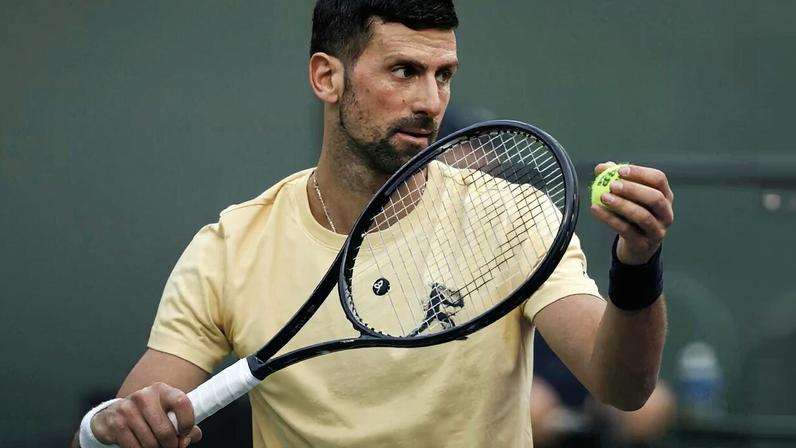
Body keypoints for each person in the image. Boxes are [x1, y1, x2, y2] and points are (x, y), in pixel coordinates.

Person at [72, 1, 674, 447]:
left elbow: (622, 388)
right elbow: (121, 423)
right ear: (326, 77)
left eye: (444, 75)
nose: (431, 101)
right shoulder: (230, 248)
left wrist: (638, 266)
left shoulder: (513, 217)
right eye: (404, 71)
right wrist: (106, 427)